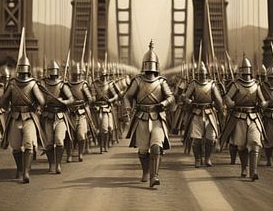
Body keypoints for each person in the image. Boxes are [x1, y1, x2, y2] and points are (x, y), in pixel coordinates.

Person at [125, 40, 174, 187]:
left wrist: (164, 104)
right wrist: (129, 108)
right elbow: (127, 96)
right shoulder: (138, 81)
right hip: (142, 117)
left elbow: (170, 97)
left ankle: (154, 176)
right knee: (143, 150)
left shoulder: (161, 81)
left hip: (157, 117)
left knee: (156, 147)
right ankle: (146, 171)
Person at [0, 28, 46, 183]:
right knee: (15, 146)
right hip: (14, 116)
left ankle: (26, 172)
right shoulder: (12, 84)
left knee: (28, 144)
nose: (22, 73)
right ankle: (19, 169)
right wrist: (6, 107)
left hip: (30, 117)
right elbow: (3, 101)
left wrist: (38, 108)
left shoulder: (33, 84)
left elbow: (42, 101)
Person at [221, 55, 267, 181]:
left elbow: (262, 101)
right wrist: (227, 98)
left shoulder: (256, 85)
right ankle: (244, 167)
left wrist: (264, 104)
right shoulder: (235, 85)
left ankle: (254, 172)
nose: (246, 74)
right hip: (239, 117)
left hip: (253, 117)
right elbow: (229, 102)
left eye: (248, 71)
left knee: (255, 142)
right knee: (241, 146)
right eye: (245, 71)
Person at [183, 61, 223, 167]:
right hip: (197, 113)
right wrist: (190, 102)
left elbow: (218, 100)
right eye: (201, 74)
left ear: (207, 74)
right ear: (198, 74)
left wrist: (219, 106)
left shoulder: (212, 84)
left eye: (204, 74)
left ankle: (207, 158)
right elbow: (186, 97)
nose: (203, 76)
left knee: (211, 138)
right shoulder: (193, 84)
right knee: (196, 139)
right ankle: (197, 159)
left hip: (210, 112)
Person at [41, 60, 74, 173]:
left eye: (54, 72)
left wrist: (63, 101)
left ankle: (58, 164)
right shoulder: (43, 84)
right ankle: (51, 164)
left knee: (59, 140)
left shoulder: (62, 84)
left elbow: (71, 99)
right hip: (47, 116)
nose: (53, 74)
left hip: (60, 116)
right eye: (51, 72)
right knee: (49, 142)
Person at [67, 61, 96, 162]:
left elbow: (90, 99)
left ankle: (80, 153)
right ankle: (69, 154)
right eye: (74, 74)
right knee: (69, 136)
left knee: (81, 135)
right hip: (69, 113)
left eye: (77, 74)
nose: (76, 76)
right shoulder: (66, 84)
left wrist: (86, 99)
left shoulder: (83, 85)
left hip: (81, 112)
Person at [91, 65, 119, 152]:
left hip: (106, 108)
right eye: (102, 76)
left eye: (105, 75)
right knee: (98, 130)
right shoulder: (94, 84)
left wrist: (111, 99)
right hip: (97, 108)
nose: (104, 77)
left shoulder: (109, 84)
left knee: (106, 128)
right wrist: (93, 98)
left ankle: (105, 145)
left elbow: (115, 95)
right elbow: (92, 95)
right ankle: (101, 145)